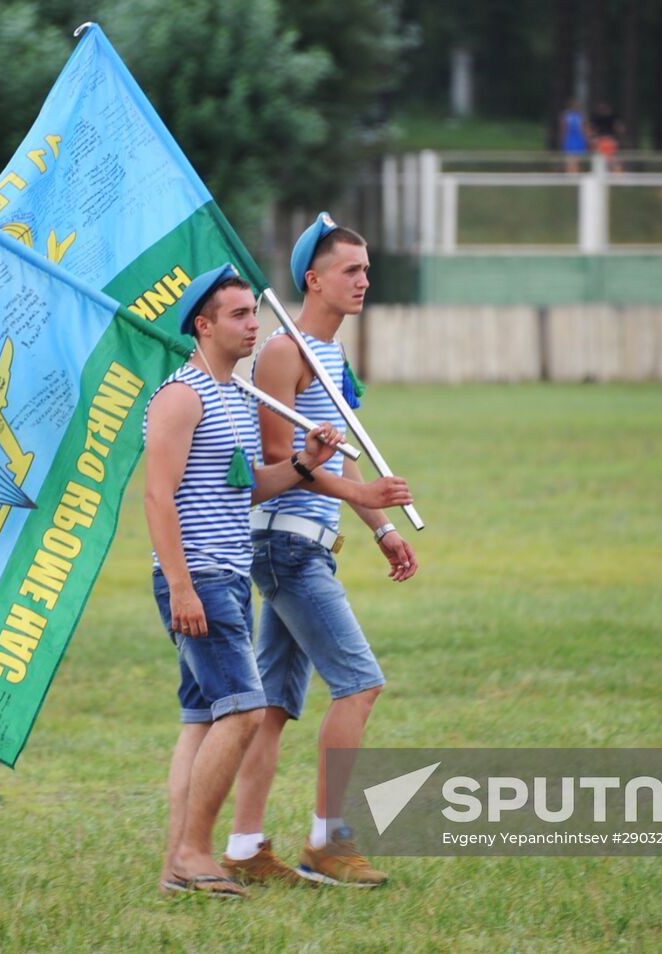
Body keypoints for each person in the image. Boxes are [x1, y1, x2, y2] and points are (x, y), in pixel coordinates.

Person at [222, 213, 417, 889]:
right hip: (283, 547)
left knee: (272, 708)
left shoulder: (332, 358)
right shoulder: (284, 352)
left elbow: (342, 460)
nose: (365, 280)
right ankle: (328, 844)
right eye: (351, 271)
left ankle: (245, 849)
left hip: (312, 545)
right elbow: (282, 460)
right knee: (360, 685)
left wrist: (381, 527)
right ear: (314, 279)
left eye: (366, 270)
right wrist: (371, 498)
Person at [144, 263, 343, 900]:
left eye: (252, 313)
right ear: (203, 326)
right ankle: (197, 854)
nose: (253, 323)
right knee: (246, 712)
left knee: (202, 720)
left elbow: (249, 485)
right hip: (198, 575)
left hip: (229, 576)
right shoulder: (182, 395)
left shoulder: (233, 395)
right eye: (237, 314)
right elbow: (157, 495)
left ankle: (179, 861)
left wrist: (305, 466)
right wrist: (179, 584)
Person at [561, 99, 589, 174]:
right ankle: (569, 174)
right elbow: (564, 128)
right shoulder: (567, 115)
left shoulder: (580, 116)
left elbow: (583, 129)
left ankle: (575, 174)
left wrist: (585, 139)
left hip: (578, 139)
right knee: (569, 159)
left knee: (577, 159)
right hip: (570, 138)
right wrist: (564, 139)